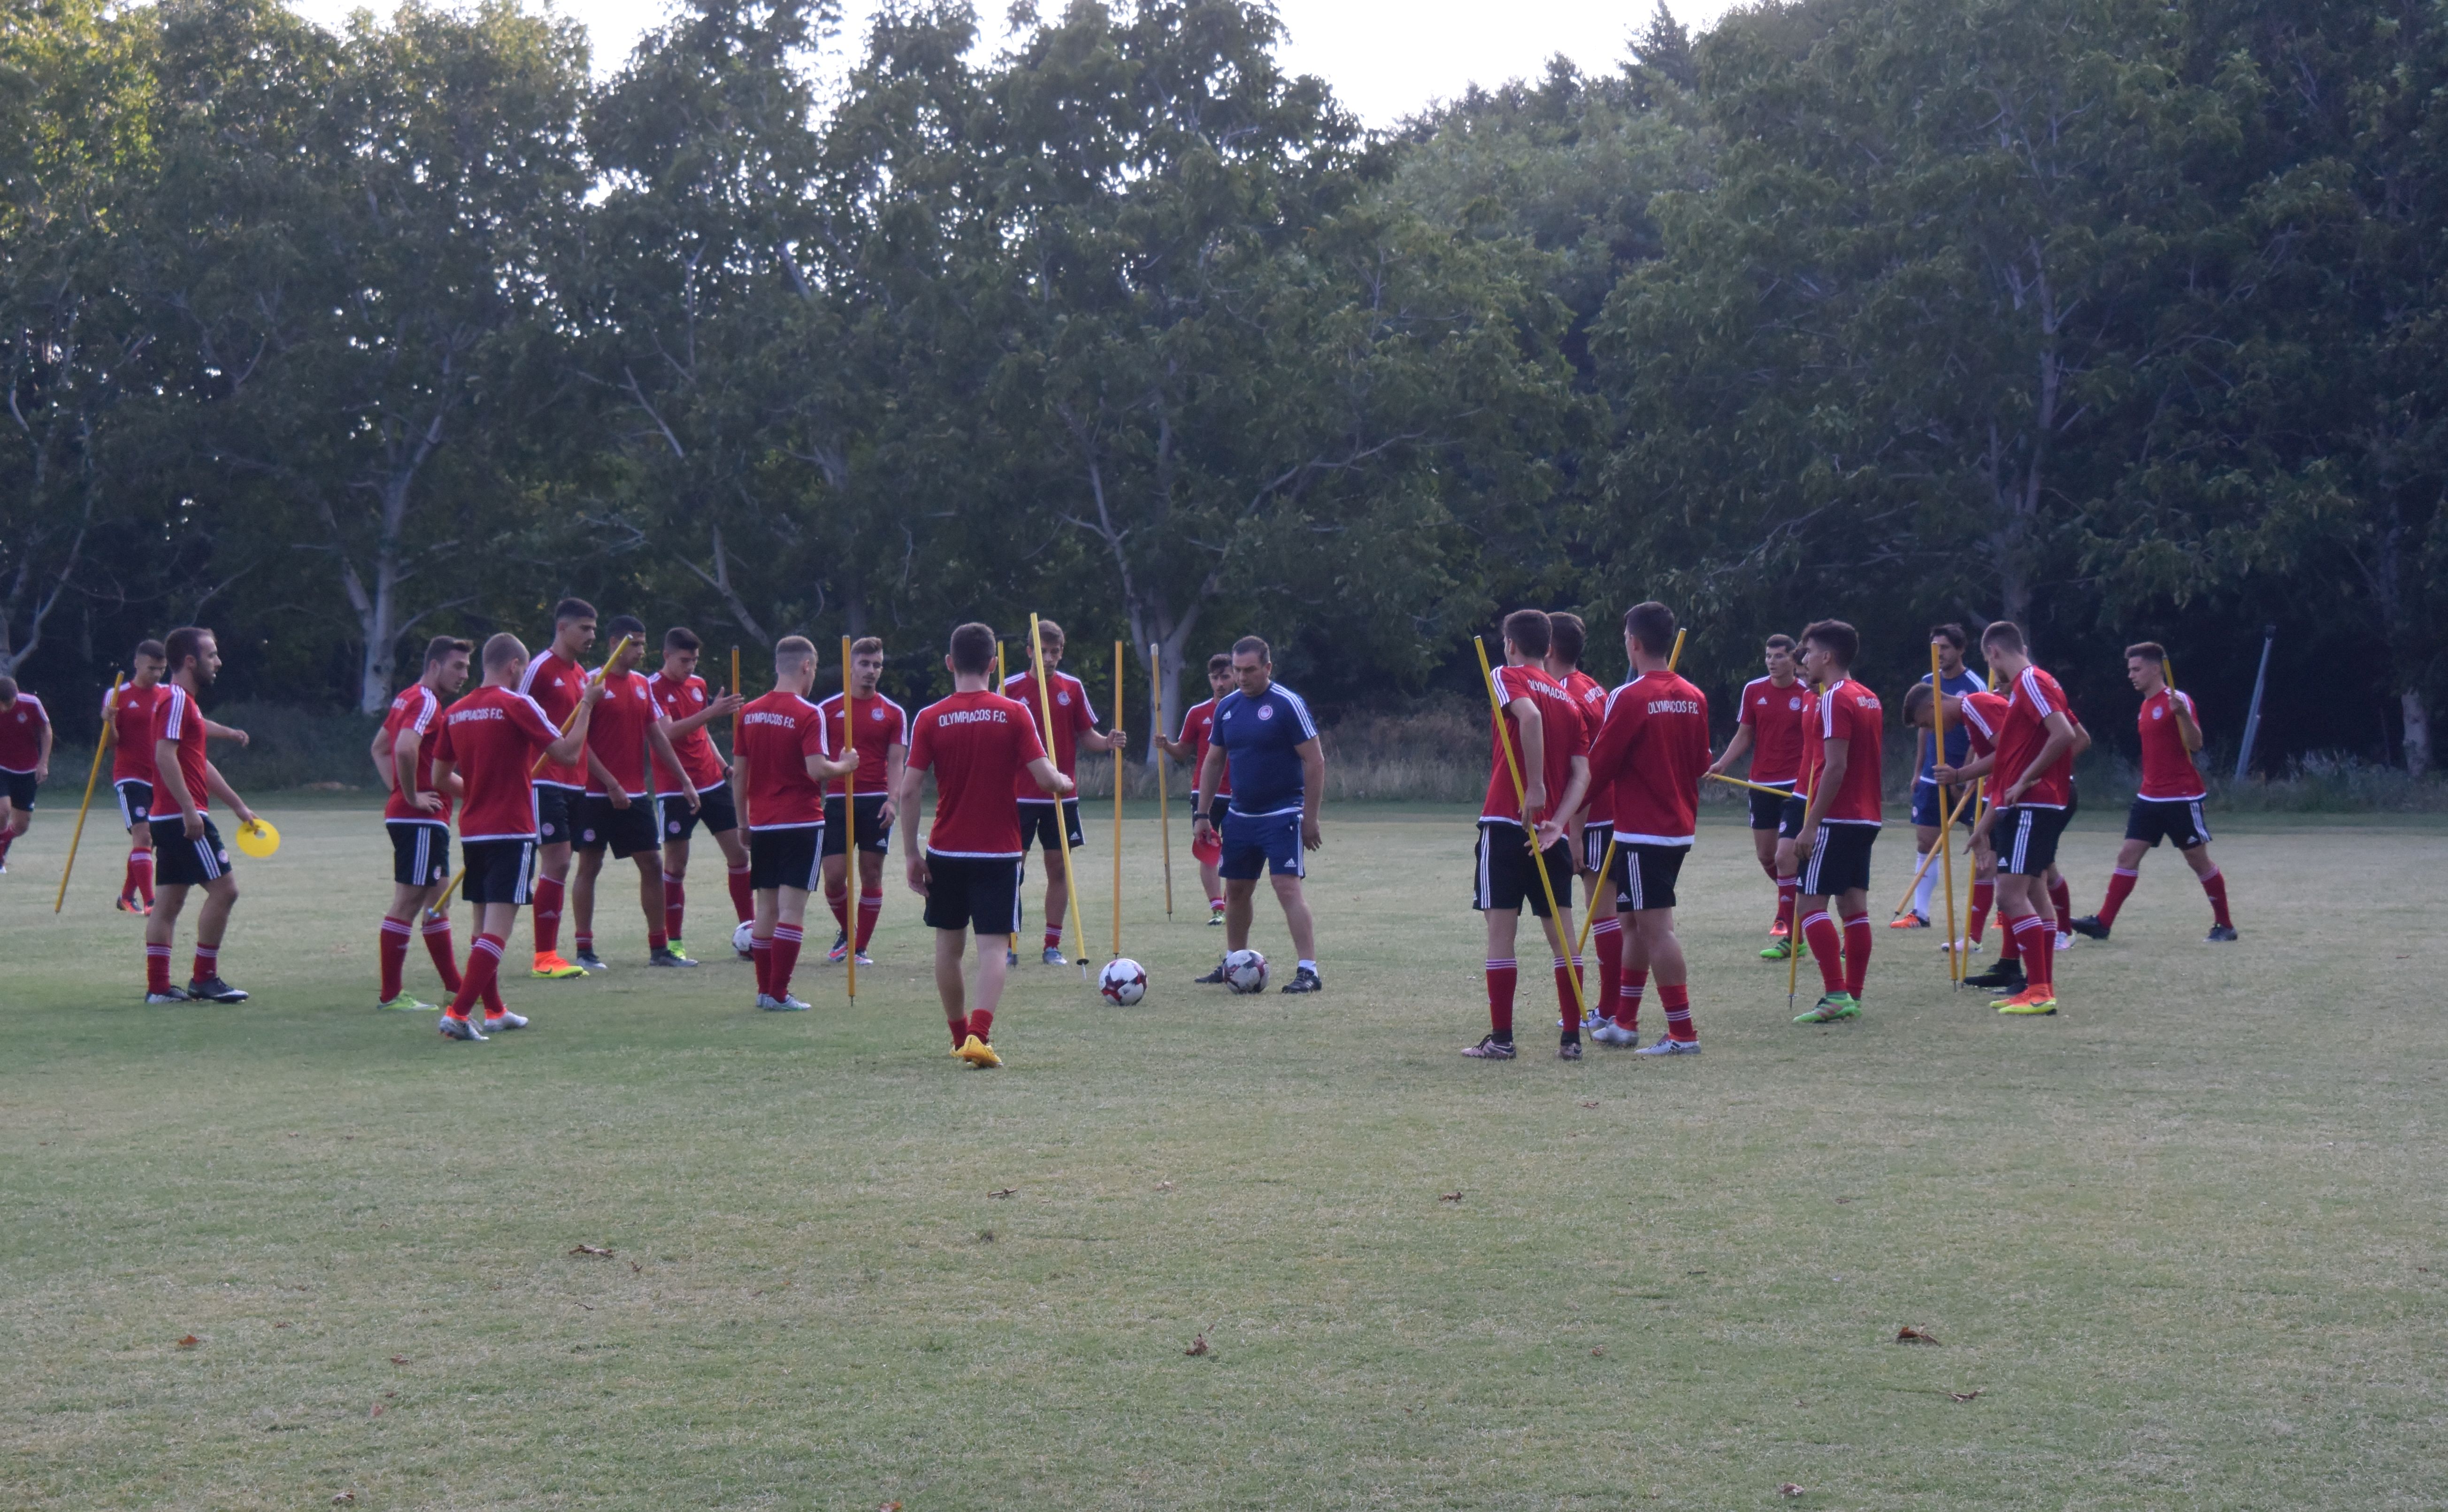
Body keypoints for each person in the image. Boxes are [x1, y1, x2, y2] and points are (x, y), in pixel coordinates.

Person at [898, 622, 1071, 1066]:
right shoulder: (1014, 713)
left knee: (947, 947)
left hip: (946, 849)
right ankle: (979, 1034)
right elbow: (1044, 777)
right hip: (998, 851)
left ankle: (959, 1038)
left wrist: (910, 854)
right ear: (994, 664)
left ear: (950, 663)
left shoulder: (929, 717)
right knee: (993, 947)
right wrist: (1065, 781)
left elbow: (909, 790)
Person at [427, 633, 604, 1040]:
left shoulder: (456, 711)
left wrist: (476, 792)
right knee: (497, 930)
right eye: (522, 669)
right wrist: (588, 707)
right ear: (514, 666)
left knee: (480, 924)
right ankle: (458, 1014)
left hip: (474, 830)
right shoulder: (517, 704)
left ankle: (495, 1009)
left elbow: (439, 778)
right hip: (511, 829)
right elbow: (568, 754)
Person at [1576, 601, 1711, 1055]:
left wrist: (1562, 813)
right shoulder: (1693, 695)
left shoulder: (1628, 695)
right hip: (1673, 826)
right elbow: (1700, 765)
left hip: (1644, 831)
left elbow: (1600, 766)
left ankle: (1682, 1033)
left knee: (1656, 929)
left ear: (1633, 642)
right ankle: (1625, 1022)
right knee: (1631, 923)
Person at [1460, 610, 1589, 1060]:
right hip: (1549, 832)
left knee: (1501, 933)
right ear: (1549, 648)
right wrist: (1559, 818)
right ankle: (1571, 1039)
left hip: (1504, 821)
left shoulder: (1505, 674)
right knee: (1563, 936)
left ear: (1511, 644)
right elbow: (1582, 773)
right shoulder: (1569, 698)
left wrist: (1534, 787)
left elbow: (1529, 717)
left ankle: (1502, 1039)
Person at [2070, 643, 2238, 943]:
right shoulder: (2145, 706)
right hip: (2149, 797)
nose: (2131, 676)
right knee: (2127, 857)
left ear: (2156, 668)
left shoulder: (2178, 700)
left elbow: (2196, 744)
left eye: (2136, 669)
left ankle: (2225, 925)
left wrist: (2183, 715)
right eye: (2130, 670)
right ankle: (2103, 923)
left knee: (2198, 861)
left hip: (2181, 797)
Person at [731, 637, 859, 1011]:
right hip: (801, 822)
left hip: (763, 823)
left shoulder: (749, 712)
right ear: (807, 666)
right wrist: (846, 765)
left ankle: (764, 991)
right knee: (791, 910)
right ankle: (779, 992)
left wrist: (743, 823)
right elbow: (817, 768)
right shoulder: (809, 713)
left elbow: (739, 774)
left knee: (766, 908)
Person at [1192, 636, 1325, 993]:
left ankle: (1308, 970)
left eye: (1249, 670)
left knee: (1286, 887)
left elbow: (1315, 760)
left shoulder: (1286, 704)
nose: (1241, 677)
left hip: (1282, 813)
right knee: (1235, 890)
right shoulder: (1227, 708)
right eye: (1236, 670)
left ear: (1267, 667)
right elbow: (1214, 760)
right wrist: (1202, 813)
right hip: (1240, 815)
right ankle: (1233, 962)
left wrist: (1309, 818)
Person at [1961, 620, 2080, 1014]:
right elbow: (2074, 737)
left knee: (2009, 895)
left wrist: (2030, 778)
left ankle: (2041, 990)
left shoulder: (2030, 681)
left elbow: (2064, 735)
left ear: (1993, 653)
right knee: (2034, 894)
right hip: (2034, 803)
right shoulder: (2038, 684)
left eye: (1987, 659)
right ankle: (2038, 985)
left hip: (2033, 804)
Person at [568, 615, 699, 969]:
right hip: (596, 794)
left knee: (653, 864)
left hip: (636, 795)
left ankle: (659, 948)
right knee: (590, 865)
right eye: (635, 644)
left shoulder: (642, 685)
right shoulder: (591, 682)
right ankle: (585, 949)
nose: (642, 651)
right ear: (614, 644)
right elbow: (580, 744)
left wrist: (684, 779)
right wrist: (610, 783)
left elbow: (656, 734)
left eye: (643, 644)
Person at [142, 627, 262, 1005]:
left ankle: (159, 989)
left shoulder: (182, 702)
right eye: (212, 654)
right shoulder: (177, 699)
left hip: (169, 817)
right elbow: (165, 755)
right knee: (226, 890)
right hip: (182, 818)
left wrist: (237, 805)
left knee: (168, 904)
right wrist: (190, 811)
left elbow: (197, 763)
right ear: (191, 661)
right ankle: (204, 979)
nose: (218, 661)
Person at [1002, 620, 1125, 965]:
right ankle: (1009, 943)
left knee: (1059, 869)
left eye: (1055, 651)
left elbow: (1087, 734)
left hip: (1061, 796)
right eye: (1042, 651)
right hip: (1018, 795)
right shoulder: (1009, 688)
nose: (1050, 658)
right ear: (1029, 652)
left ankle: (1051, 945)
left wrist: (1108, 743)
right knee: (1013, 870)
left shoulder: (1071, 688)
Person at [368, 637, 474, 1012]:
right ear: (434, 666)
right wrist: (411, 795)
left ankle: (455, 988)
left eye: (466, 666)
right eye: (457, 666)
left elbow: (378, 747)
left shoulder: (407, 697)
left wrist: (400, 789)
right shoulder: (427, 701)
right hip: (420, 819)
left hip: (422, 816)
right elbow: (402, 749)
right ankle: (391, 995)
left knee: (436, 904)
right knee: (409, 902)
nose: (464, 673)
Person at [104, 641, 249, 914]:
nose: (157, 675)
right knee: (144, 836)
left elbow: (195, 725)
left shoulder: (168, 695)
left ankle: (126, 896)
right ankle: (149, 902)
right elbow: (112, 742)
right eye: (151, 669)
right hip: (130, 776)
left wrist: (229, 732)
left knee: (151, 842)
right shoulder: (117, 695)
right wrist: (109, 721)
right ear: (137, 663)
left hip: (161, 780)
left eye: (161, 669)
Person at [1789, 620, 1885, 1024]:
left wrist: (1810, 824)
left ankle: (1835, 993)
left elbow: (1834, 766)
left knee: (1809, 903)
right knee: (1853, 906)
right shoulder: (1869, 697)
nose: (1805, 659)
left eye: (1809, 652)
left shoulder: (1833, 698)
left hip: (1836, 817)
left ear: (1826, 656)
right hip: (1866, 816)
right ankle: (1853, 995)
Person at [645, 627, 746, 961]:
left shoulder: (698, 685)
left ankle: (749, 930)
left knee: (740, 856)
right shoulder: (653, 688)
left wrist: (723, 765)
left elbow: (701, 731)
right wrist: (713, 711)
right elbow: (669, 732)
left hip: (712, 784)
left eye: (694, 660)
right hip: (675, 790)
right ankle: (673, 942)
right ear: (666, 655)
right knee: (676, 865)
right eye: (684, 660)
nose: (690, 667)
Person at [1709, 633, 1809, 954]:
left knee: (1784, 857)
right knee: (1767, 857)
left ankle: (1787, 922)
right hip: (1760, 783)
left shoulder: (1807, 694)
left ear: (1794, 660)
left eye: (1780, 656)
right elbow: (1745, 733)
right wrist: (1722, 764)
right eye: (1768, 655)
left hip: (1796, 785)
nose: (1772, 661)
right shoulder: (1753, 690)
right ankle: (1800, 901)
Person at [516, 599, 599, 979]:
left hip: (574, 781)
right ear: (562, 627)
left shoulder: (582, 675)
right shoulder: (539, 668)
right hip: (544, 777)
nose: (592, 636)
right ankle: (544, 956)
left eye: (595, 629)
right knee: (559, 861)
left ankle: (550, 952)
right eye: (585, 628)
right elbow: (514, 711)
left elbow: (581, 732)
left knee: (563, 864)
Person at [817, 636, 910, 965]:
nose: (872, 671)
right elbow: (813, 761)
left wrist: (893, 799)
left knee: (871, 874)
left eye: (877, 665)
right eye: (865, 664)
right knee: (833, 876)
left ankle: (859, 948)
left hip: (875, 801)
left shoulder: (893, 712)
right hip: (838, 800)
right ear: (850, 666)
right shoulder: (825, 710)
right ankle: (848, 931)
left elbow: (897, 761)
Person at [1545, 612, 1616, 1028]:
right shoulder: (1592, 686)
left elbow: (1583, 771)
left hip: (1595, 818)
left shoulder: (1566, 695)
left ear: (1549, 649)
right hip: (1608, 813)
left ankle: (1606, 1012)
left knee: (1602, 915)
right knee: (1611, 915)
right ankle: (1611, 1009)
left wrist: (1574, 834)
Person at [1897, 624, 1984, 930]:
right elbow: (1924, 728)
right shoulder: (1926, 683)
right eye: (1934, 647)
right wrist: (1918, 770)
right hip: (1934, 776)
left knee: (1984, 841)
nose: (1939, 653)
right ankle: (1920, 913)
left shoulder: (1974, 684)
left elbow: (1982, 732)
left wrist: (1968, 774)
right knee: (1926, 842)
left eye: (1945, 647)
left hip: (1967, 775)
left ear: (1960, 649)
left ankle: (2003, 910)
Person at [1158, 652, 1237, 926]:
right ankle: (1218, 909)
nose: (1220, 683)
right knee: (1208, 849)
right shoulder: (1198, 713)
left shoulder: (1245, 709)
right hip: (1205, 794)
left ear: (1236, 676)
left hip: (1240, 793)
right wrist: (1166, 745)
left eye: (1225, 677)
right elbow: (1182, 751)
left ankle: (1233, 904)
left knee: (1238, 852)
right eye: (1215, 678)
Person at [0, 675, 53, 874]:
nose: (5, 708)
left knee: (21, 826)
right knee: (3, 811)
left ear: (16, 696)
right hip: (1, 767)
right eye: (1, 704)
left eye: (9, 703)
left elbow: (46, 730)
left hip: (27, 769)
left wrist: (43, 763)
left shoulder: (31, 704)